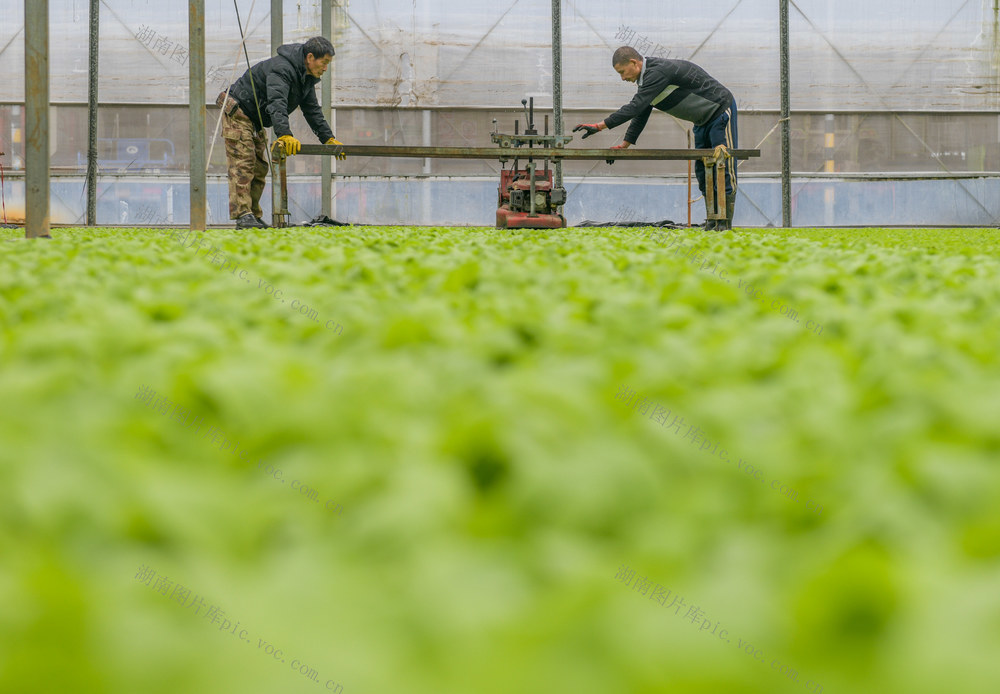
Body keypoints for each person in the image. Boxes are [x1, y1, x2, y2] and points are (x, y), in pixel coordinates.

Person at [573, 46, 738, 231]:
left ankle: (724, 223)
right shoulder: (648, 82)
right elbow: (641, 112)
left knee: (722, 165)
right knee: (702, 170)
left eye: (622, 72)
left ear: (634, 63)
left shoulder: (657, 72)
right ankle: (712, 220)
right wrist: (625, 145)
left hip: (720, 110)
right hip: (701, 122)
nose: (622, 78)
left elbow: (635, 107)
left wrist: (599, 126)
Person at [216, 36, 347, 229]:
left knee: (260, 167)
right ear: (310, 57)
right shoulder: (282, 68)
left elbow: (312, 110)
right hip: (239, 110)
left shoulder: (305, 78)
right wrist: (284, 134)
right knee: (243, 163)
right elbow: (277, 102)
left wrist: (328, 138)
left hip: (256, 118)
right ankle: (243, 215)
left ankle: (252, 215)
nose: (326, 68)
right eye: (324, 62)